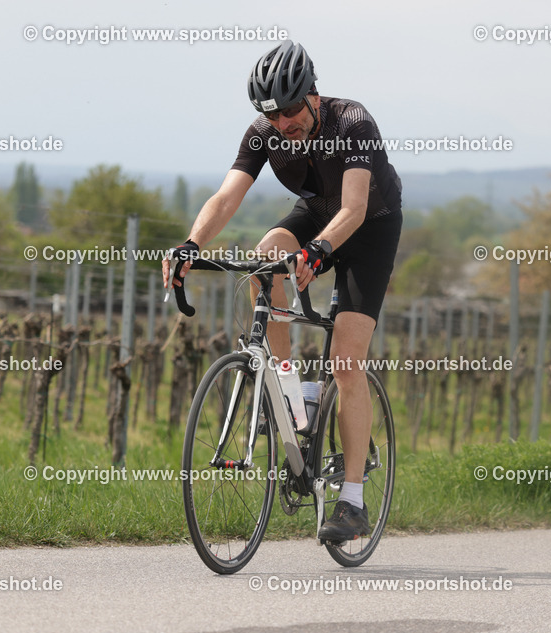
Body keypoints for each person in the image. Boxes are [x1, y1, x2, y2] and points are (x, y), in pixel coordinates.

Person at [162, 40, 401, 542]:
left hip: (369, 227)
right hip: (314, 215)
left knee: (346, 360)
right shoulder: (264, 132)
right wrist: (190, 244)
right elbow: (227, 196)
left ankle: (352, 501)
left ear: (313, 95)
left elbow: (354, 209)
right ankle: (294, 395)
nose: (283, 123)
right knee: (264, 257)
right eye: (272, 114)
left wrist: (317, 252)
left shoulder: (352, 122)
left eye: (291, 110)